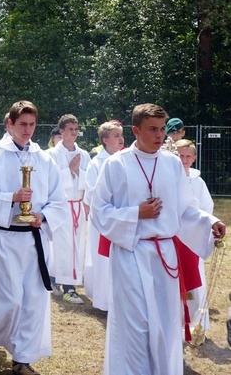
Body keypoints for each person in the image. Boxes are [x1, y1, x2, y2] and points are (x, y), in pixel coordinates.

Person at [90, 103, 225, 375]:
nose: (159, 135)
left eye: (162, 129)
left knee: (166, 323)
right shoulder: (116, 164)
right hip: (131, 252)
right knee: (135, 324)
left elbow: (184, 208)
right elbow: (99, 211)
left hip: (165, 256)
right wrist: (135, 213)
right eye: (152, 129)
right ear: (135, 130)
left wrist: (210, 222)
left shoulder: (172, 164)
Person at [0, 100, 67, 375]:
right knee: (8, 300)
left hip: (36, 239)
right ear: (10, 124)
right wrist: (10, 198)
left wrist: (44, 216)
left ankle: (22, 359)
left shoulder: (44, 158)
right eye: (22, 124)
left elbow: (59, 200)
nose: (28, 130)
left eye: (32, 124)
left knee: (34, 300)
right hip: (7, 237)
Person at [47, 114, 91, 303]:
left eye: (76, 129)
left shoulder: (84, 154)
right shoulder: (52, 154)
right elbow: (52, 181)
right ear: (62, 131)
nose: (74, 133)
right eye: (70, 129)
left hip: (78, 204)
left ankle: (63, 280)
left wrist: (77, 172)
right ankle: (68, 287)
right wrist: (69, 170)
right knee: (62, 246)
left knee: (77, 245)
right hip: (61, 205)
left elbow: (88, 180)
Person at [83, 120, 124, 312]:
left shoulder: (124, 159)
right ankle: (104, 302)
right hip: (102, 218)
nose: (121, 139)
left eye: (121, 135)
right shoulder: (96, 163)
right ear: (105, 140)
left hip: (121, 218)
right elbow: (91, 193)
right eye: (116, 135)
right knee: (103, 259)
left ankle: (119, 299)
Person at [175, 138, 214, 341]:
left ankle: (197, 323)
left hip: (193, 239)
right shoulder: (170, 178)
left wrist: (201, 226)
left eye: (188, 155)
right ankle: (176, 323)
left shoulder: (198, 182)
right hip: (173, 238)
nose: (184, 159)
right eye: (180, 155)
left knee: (195, 283)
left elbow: (206, 208)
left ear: (194, 158)